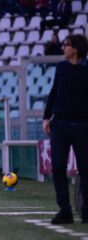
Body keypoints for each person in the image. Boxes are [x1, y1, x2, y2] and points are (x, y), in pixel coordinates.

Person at [42, 34, 88, 224]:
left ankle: (87, 211)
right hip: (59, 124)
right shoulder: (61, 68)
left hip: (83, 125)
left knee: (86, 169)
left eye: (66, 45)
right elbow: (54, 92)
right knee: (58, 167)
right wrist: (46, 117)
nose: (62, 48)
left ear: (75, 48)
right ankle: (65, 210)